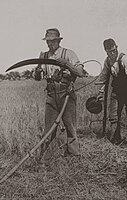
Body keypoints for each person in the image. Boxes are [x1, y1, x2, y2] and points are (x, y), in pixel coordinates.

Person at [34, 28, 86, 161]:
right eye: (47, 41)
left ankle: (73, 156)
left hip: (66, 92)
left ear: (58, 40)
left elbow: (80, 72)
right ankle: (46, 157)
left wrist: (67, 64)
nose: (49, 44)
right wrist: (38, 69)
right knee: (49, 127)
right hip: (51, 93)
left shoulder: (68, 53)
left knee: (70, 125)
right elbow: (37, 77)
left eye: (51, 41)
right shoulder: (44, 56)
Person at [97, 38, 127, 145]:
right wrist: (101, 92)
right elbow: (104, 78)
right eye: (109, 51)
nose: (112, 53)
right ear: (105, 51)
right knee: (114, 117)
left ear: (116, 47)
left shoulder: (125, 59)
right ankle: (116, 139)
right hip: (116, 92)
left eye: (113, 50)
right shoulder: (107, 61)